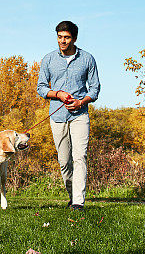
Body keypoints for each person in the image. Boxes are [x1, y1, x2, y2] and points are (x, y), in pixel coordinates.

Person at [37, 20, 100, 210]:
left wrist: (81, 102)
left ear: (74, 38)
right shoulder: (48, 60)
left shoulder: (87, 59)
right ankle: (72, 194)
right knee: (64, 161)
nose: (62, 41)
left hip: (80, 115)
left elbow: (95, 89)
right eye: (59, 37)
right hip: (57, 117)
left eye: (66, 37)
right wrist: (57, 94)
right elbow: (41, 88)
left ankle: (78, 202)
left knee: (80, 157)